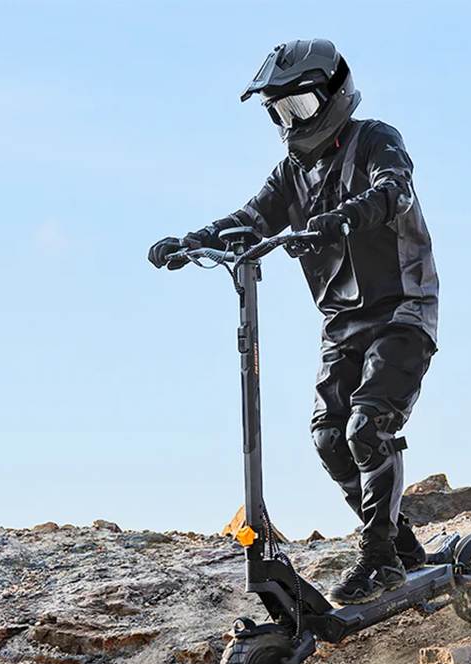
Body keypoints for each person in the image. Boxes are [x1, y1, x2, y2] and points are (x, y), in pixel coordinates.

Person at [148, 39, 439, 605]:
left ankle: (379, 559)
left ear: (334, 94)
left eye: (300, 107)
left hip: (402, 310)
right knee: (329, 436)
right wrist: (194, 240)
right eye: (279, 112)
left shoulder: (375, 140)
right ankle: (399, 541)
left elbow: (394, 190)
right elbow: (252, 218)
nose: (291, 123)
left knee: (367, 427)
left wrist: (345, 216)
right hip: (343, 323)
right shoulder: (292, 172)